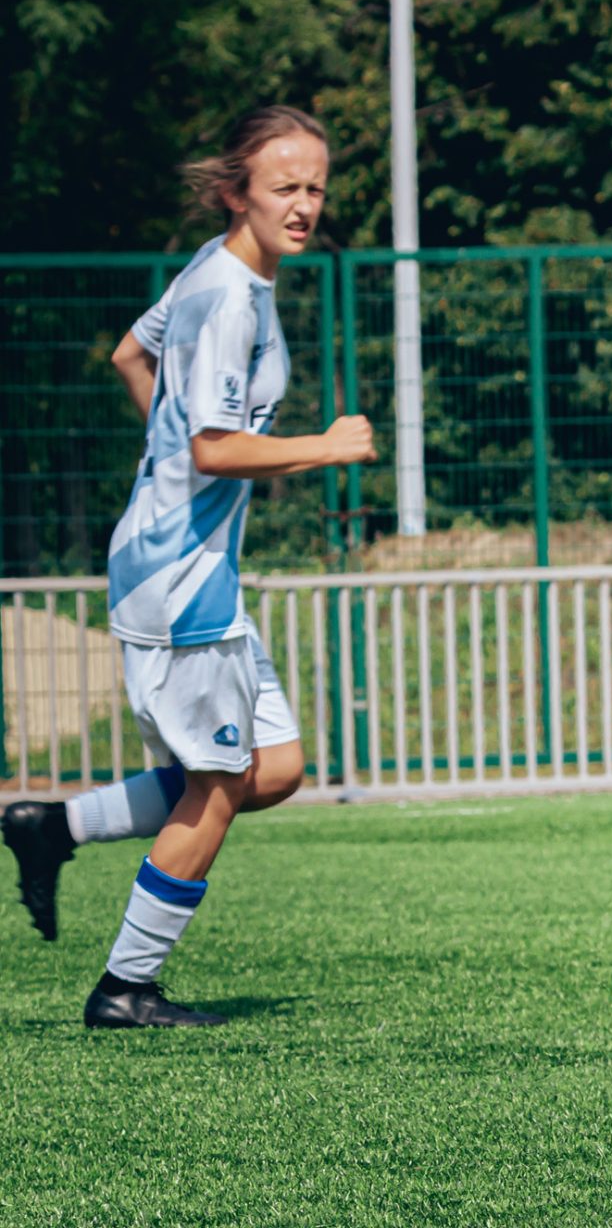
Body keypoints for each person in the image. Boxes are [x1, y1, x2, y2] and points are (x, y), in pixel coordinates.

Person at [0, 107, 376, 1028]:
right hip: (179, 580)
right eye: (284, 188)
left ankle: (53, 827)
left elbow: (132, 354)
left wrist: (176, 465)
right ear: (237, 193)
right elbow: (214, 447)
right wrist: (321, 448)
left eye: (316, 187)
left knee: (274, 768)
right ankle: (125, 988)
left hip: (189, 567)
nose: (304, 205)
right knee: (217, 785)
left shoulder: (219, 269)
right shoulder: (230, 299)